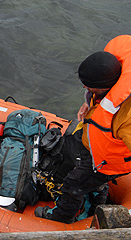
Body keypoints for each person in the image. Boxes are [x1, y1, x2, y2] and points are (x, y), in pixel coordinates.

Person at [35, 34, 131, 223]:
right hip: (97, 145)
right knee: (93, 181)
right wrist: (89, 100)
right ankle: (97, 201)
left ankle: (61, 218)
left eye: (91, 88)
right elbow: (103, 98)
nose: (87, 89)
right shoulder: (112, 79)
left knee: (73, 183)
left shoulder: (127, 117)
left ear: (105, 87)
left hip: (108, 159)